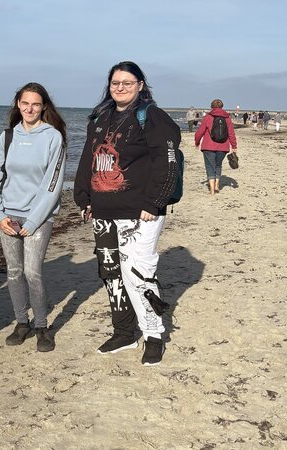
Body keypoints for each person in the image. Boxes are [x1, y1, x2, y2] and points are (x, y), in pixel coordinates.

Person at [73, 61, 181, 366]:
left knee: (139, 274)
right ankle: (123, 332)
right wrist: (83, 196)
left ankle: (154, 334)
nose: (120, 88)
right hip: (103, 210)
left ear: (140, 85)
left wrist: (153, 202)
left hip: (140, 212)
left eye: (127, 83)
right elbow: (88, 158)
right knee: (111, 275)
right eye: (115, 83)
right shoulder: (100, 116)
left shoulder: (152, 117)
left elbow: (167, 161)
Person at [0, 82, 67, 352]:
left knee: (32, 272)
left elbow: (52, 184)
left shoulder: (53, 137)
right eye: (24, 103)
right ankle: (22, 322)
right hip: (8, 216)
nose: (29, 108)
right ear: (17, 105)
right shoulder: (7, 137)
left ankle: (42, 326)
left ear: (44, 106)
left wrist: (33, 222)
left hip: (39, 217)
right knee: (14, 271)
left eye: (35, 103)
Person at [194, 99, 238, 195]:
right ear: (222, 106)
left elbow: (200, 132)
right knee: (218, 165)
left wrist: (197, 142)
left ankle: (212, 190)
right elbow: (231, 133)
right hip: (223, 146)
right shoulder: (227, 118)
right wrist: (234, 146)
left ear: (212, 107)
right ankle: (217, 184)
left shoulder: (208, 117)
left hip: (208, 146)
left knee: (210, 166)